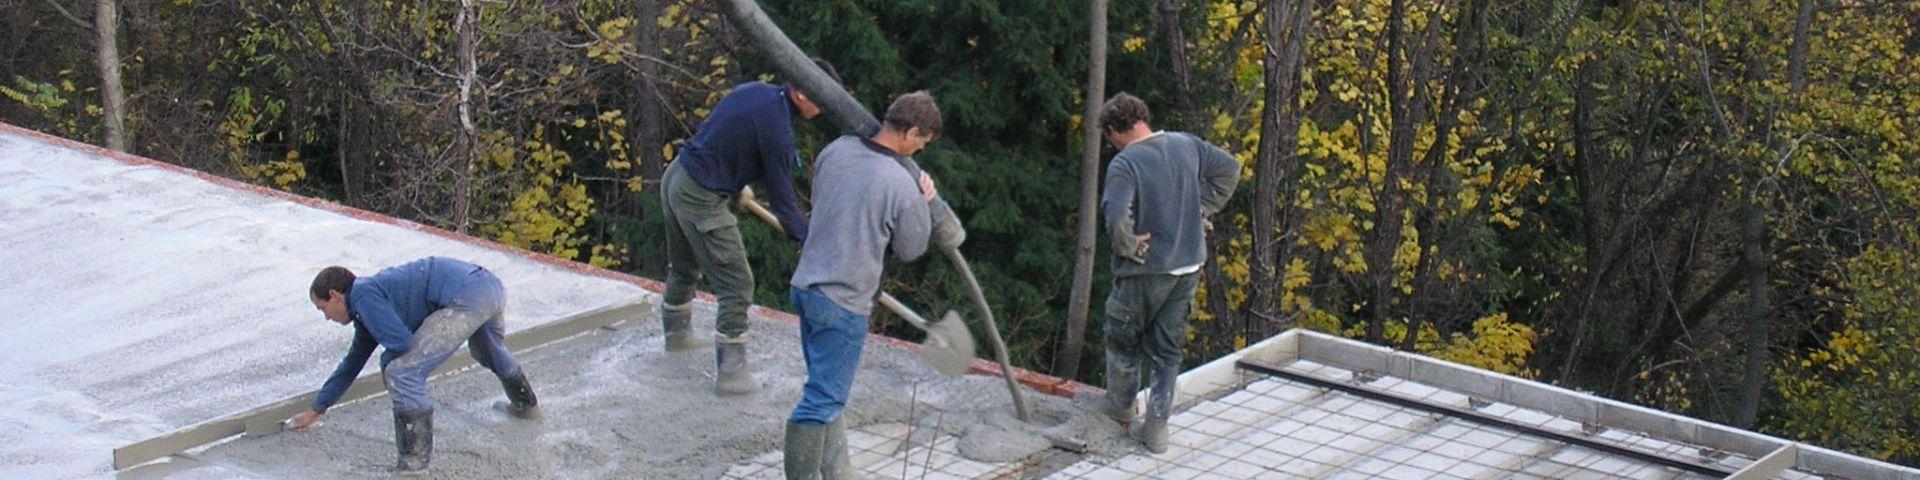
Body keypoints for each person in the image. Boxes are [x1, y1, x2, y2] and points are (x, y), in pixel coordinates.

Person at [782, 91, 952, 479]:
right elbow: (912, 249)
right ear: (910, 132)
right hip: (843, 300)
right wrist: (923, 201)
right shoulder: (901, 183)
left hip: (807, 286)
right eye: (922, 141)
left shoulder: (836, 150)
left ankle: (837, 471)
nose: (920, 150)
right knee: (821, 400)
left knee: (827, 388)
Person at [658, 59, 842, 396]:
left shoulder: (756, 91)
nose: (826, 106)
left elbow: (721, 133)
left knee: (685, 265)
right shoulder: (778, 132)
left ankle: (677, 335)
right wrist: (807, 238)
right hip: (699, 194)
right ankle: (732, 374)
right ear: (800, 93)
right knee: (738, 285)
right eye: (823, 98)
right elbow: (784, 201)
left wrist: (734, 178)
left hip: (678, 176)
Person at [285, 257, 539, 477]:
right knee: (487, 350)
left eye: (323, 309)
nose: (327, 317)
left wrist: (386, 364)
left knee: (402, 372)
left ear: (335, 295)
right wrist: (317, 409)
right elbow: (351, 365)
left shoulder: (362, 295)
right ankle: (526, 406)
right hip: (488, 286)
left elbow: (400, 342)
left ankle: (413, 469)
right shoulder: (367, 305)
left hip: (464, 297)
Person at [1095, 93, 1241, 454]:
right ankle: (1157, 428)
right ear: (1143, 117)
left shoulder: (1125, 163)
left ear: (1114, 130)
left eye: (1109, 137)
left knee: (1123, 336)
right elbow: (1230, 170)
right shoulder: (1185, 144)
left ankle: (1121, 405)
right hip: (1189, 266)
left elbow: (1115, 215)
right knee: (1167, 349)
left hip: (1147, 271)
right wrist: (1202, 208)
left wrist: (1128, 245)